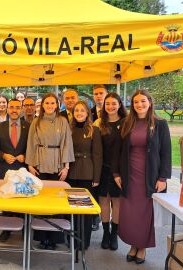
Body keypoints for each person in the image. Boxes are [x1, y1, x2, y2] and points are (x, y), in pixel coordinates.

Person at [116, 89, 171, 264]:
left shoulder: (160, 123)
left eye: (143, 101)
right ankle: (133, 245)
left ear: (150, 102)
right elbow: (119, 151)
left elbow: (166, 152)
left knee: (145, 213)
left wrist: (163, 178)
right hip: (129, 174)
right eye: (136, 102)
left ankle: (142, 247)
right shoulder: (126, 123)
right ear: (132, 105)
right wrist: (117, 173)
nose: (139, 105)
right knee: (130, 213)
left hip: (149, 176)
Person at [25, 93, 75, 250]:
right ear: (43, 105)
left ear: (57, 104)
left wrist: (66, 166)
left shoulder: (63, 121)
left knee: (55, 200)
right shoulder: (36, 121)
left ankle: (54, 237)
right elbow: (31, 143)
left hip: (57, 163)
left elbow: (67, 144)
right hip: (39, 162)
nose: (50, 105)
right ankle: (41, 238)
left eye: (53, 103)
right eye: (47, 103)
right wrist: (30, 165)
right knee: (40, 201)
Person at [0, 99, 30, 242]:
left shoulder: (28, 126)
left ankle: (24, 228)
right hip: (5, 168)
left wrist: (25, 156)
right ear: (7, 109)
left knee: (23, 199)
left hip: (23, 169)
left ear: (21, 110)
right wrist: (3, 155)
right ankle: (7, 229)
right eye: (11, 107)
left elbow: (33, 146)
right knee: (7, 200)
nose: (14, 110)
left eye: (17, 107)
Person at [94, 92, 127, 251]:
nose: (111, 106)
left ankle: (114, 234)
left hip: (119, 170)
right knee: (104, 201)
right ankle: (105, 233)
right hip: (102, 168)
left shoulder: (127, 122)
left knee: (117, 202)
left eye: (114, 103)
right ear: (103, 106)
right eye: (108, 104)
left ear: (120, 104)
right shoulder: (99, 123)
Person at [67, 101, 102, 250]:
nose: (79, 113)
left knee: (85, 210)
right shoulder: (68, 129)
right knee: (71, 209)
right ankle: (72, 240)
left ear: (88, 113)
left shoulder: (94, 130)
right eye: (76, 111)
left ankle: (84, 241)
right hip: (71, 172)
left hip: (87, 173)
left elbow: (98, 154)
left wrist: (96, 177)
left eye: (82, 111)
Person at [90, 85, 108, 230]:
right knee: (95, 191)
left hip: (109, 160)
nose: (98, 96)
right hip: (93, 159)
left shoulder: (115, 114)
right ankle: (94, 217)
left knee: (106, 195)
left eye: (101, 93)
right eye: (95, 93)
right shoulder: (88, 113)